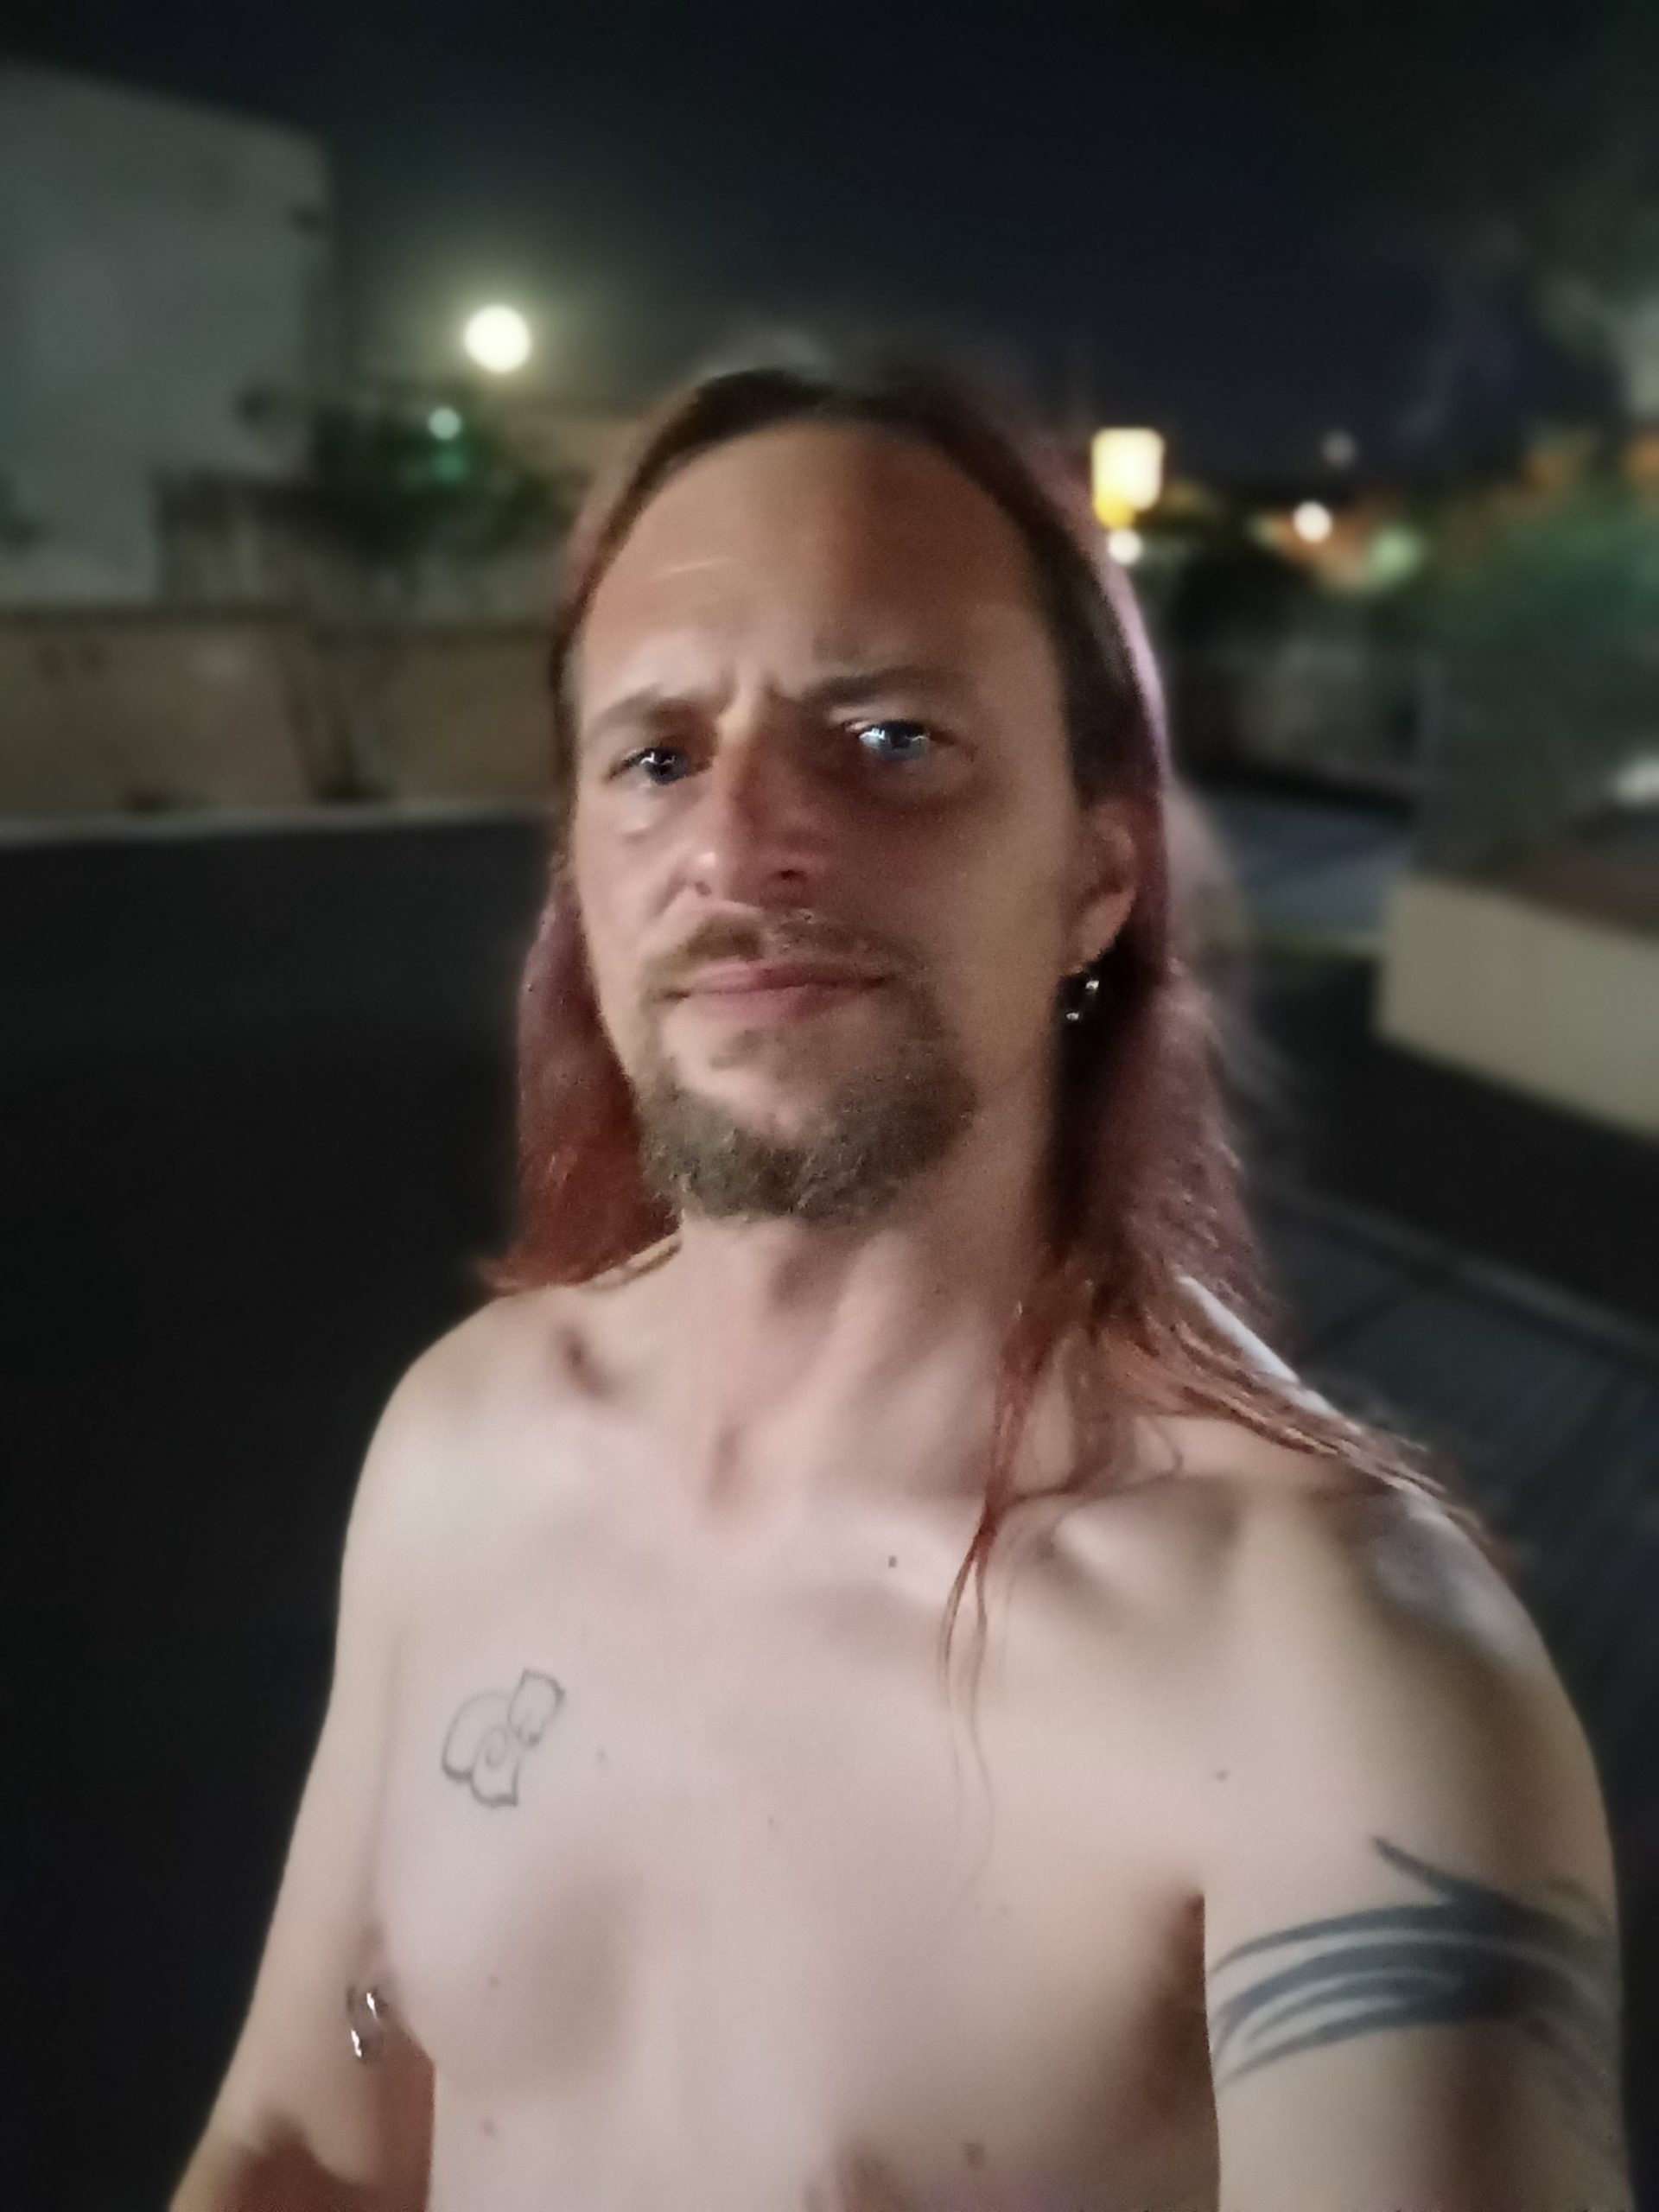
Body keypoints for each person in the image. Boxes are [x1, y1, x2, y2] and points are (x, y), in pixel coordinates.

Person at [170, 350, 1634, 2212]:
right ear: (582, 873)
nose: (735, 841)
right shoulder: (462, 1444)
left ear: (1097, 874)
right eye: (657, 757)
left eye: (888, 741)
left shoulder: (1331, 1677)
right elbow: (308, 2129)